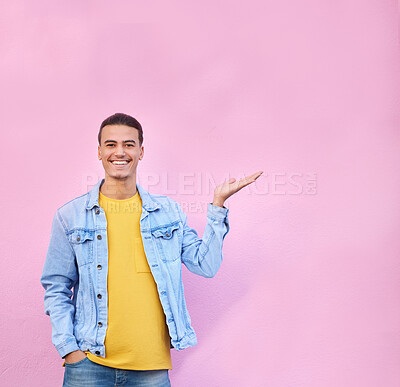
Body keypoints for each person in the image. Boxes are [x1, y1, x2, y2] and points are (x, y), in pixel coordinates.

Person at [40, 112, 263, 386]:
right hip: (89, 364)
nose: (119, 152)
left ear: (141, 152)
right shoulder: (71, 216)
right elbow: (56, 287)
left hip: (151, 369)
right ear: (99, 152)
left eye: (129, 144)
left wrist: (218, 206)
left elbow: (206, 265)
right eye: (111, 144)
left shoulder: (167, 212)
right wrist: (69, 350)